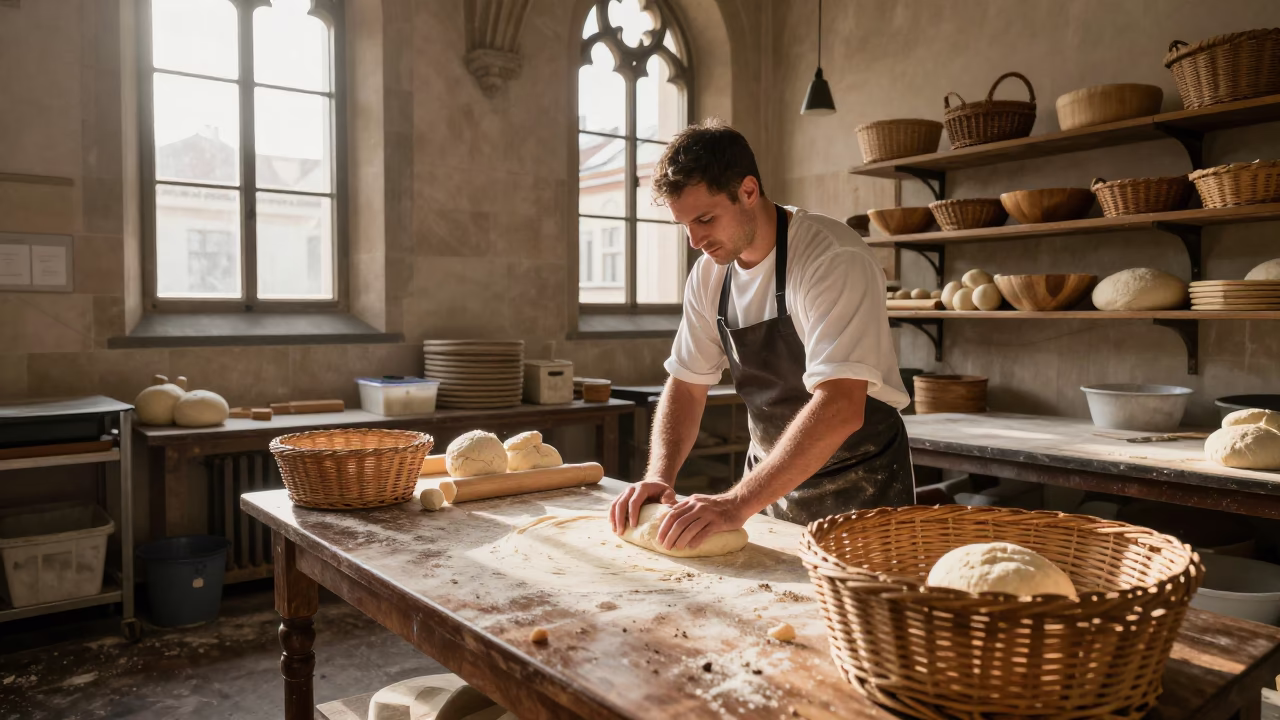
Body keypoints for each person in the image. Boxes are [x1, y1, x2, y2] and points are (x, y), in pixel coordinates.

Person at [609, 119, 914, 551]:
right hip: (773, 485)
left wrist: (735, 502)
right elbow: (687, 384)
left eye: (706, 218)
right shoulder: (709, 275)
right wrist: (659, 475)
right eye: (685, 226)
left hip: (861, 486)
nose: (695, 241)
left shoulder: (831, 258)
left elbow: (842, 404)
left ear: (748, 191)